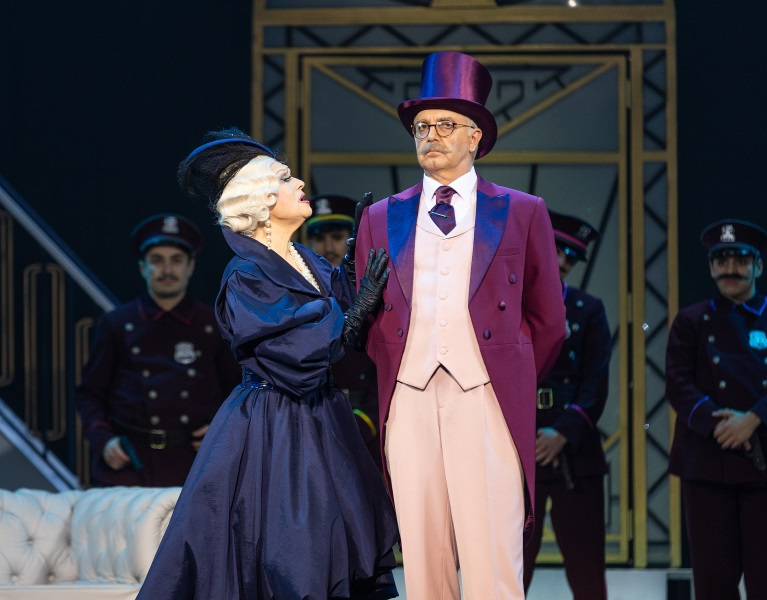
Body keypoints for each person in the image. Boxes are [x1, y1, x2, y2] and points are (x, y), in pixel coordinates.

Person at [136, 129, 399, 600]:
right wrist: (355, 308)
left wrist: (354, 265)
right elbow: (297, 350)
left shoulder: (305, 259)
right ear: (261, 199)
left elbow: (342, 323)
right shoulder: (246, 274)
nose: (299, 183)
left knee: (334, 543)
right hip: (275, 426)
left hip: (322, 419)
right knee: (290, 549)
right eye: (285, 177)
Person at [353, 51, 566, 599]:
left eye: (446, 125)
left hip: (487, 395)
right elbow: (368, 318)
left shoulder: (522, 210)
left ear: (476, 137)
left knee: (491, 556)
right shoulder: (379, 217)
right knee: (423, 558)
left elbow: (549, 320)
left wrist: (506, 374)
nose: (431, 136)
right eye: (422, 127)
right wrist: (404, 370)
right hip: (409, 395)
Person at [666, 218, 767, 599]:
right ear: (711, 267)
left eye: (741, 260)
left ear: (759, 266)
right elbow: (678, 384)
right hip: (707, 462)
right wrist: (721, 425)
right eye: (721, 260)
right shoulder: (691, 321)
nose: (731, 269)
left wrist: (753, 420)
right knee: (713, 585)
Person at [76, 213, 240, 487]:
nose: (167, 270)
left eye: (176, 260)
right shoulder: (117, 324)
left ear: (190, 266)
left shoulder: (214, 324)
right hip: (131, 464)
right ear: (143, 267)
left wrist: (221, 431)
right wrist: (103, 440)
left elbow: (239, 392)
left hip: (196, 463)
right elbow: (89, 394)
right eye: (157, 260)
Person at [522, 211, 611, 598]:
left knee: (587, 569)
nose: (562, 261)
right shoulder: (510, 303)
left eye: (572, 256)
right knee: (509, 568)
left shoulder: (588, 309)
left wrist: (562, 433)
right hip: (519, 450)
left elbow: (596, 382)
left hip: (574, 451)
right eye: (556, 249)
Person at [307, 193, 382, 469]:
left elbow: (391, 357)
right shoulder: (300, 292)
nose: (328, 247)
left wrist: (366, 419)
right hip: (314, 424)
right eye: (319, 238)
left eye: (338, 237)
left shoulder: (375, 286)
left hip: (368, 424)